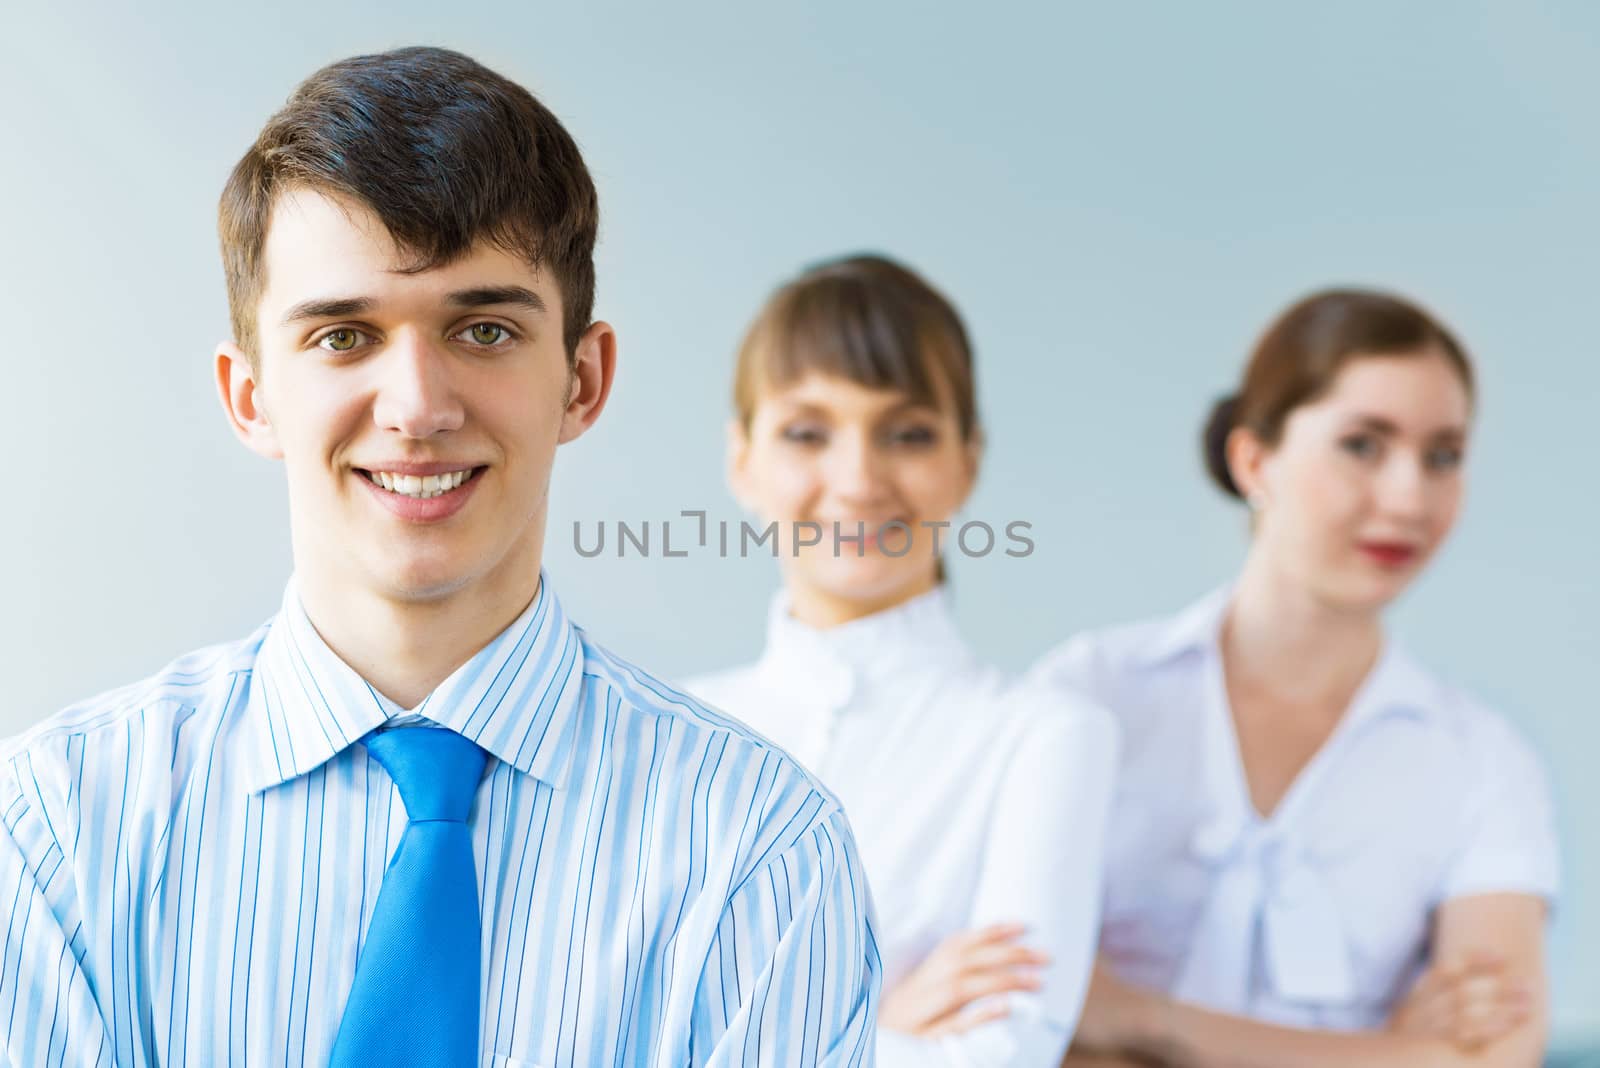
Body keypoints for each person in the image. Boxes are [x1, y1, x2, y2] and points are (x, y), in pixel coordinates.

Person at [0, 47, 880, 1067]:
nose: (418, 407)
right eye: (342, 337)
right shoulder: (56, 829)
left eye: (485, 330)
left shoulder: (759, 851)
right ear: (250, 397)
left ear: (583, 381)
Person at [1034, 289, 1561, 1067]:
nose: (1409, 497)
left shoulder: (1483, 760)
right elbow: (1009, 1008)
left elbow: (1486, 1058)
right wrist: (1384, 1053)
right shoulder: (1093, 695)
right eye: (1363, 445)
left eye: (1443, 455)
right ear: (1254, 461)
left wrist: (1140, 1020)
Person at [685, 254, 1118, 1066]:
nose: (857, 480)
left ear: (968, 461)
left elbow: (1001, 1056)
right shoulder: (658, 731)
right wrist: (876, 1026)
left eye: (908, 434)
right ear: (742, 460)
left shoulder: (1045, 737)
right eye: (807, 433)